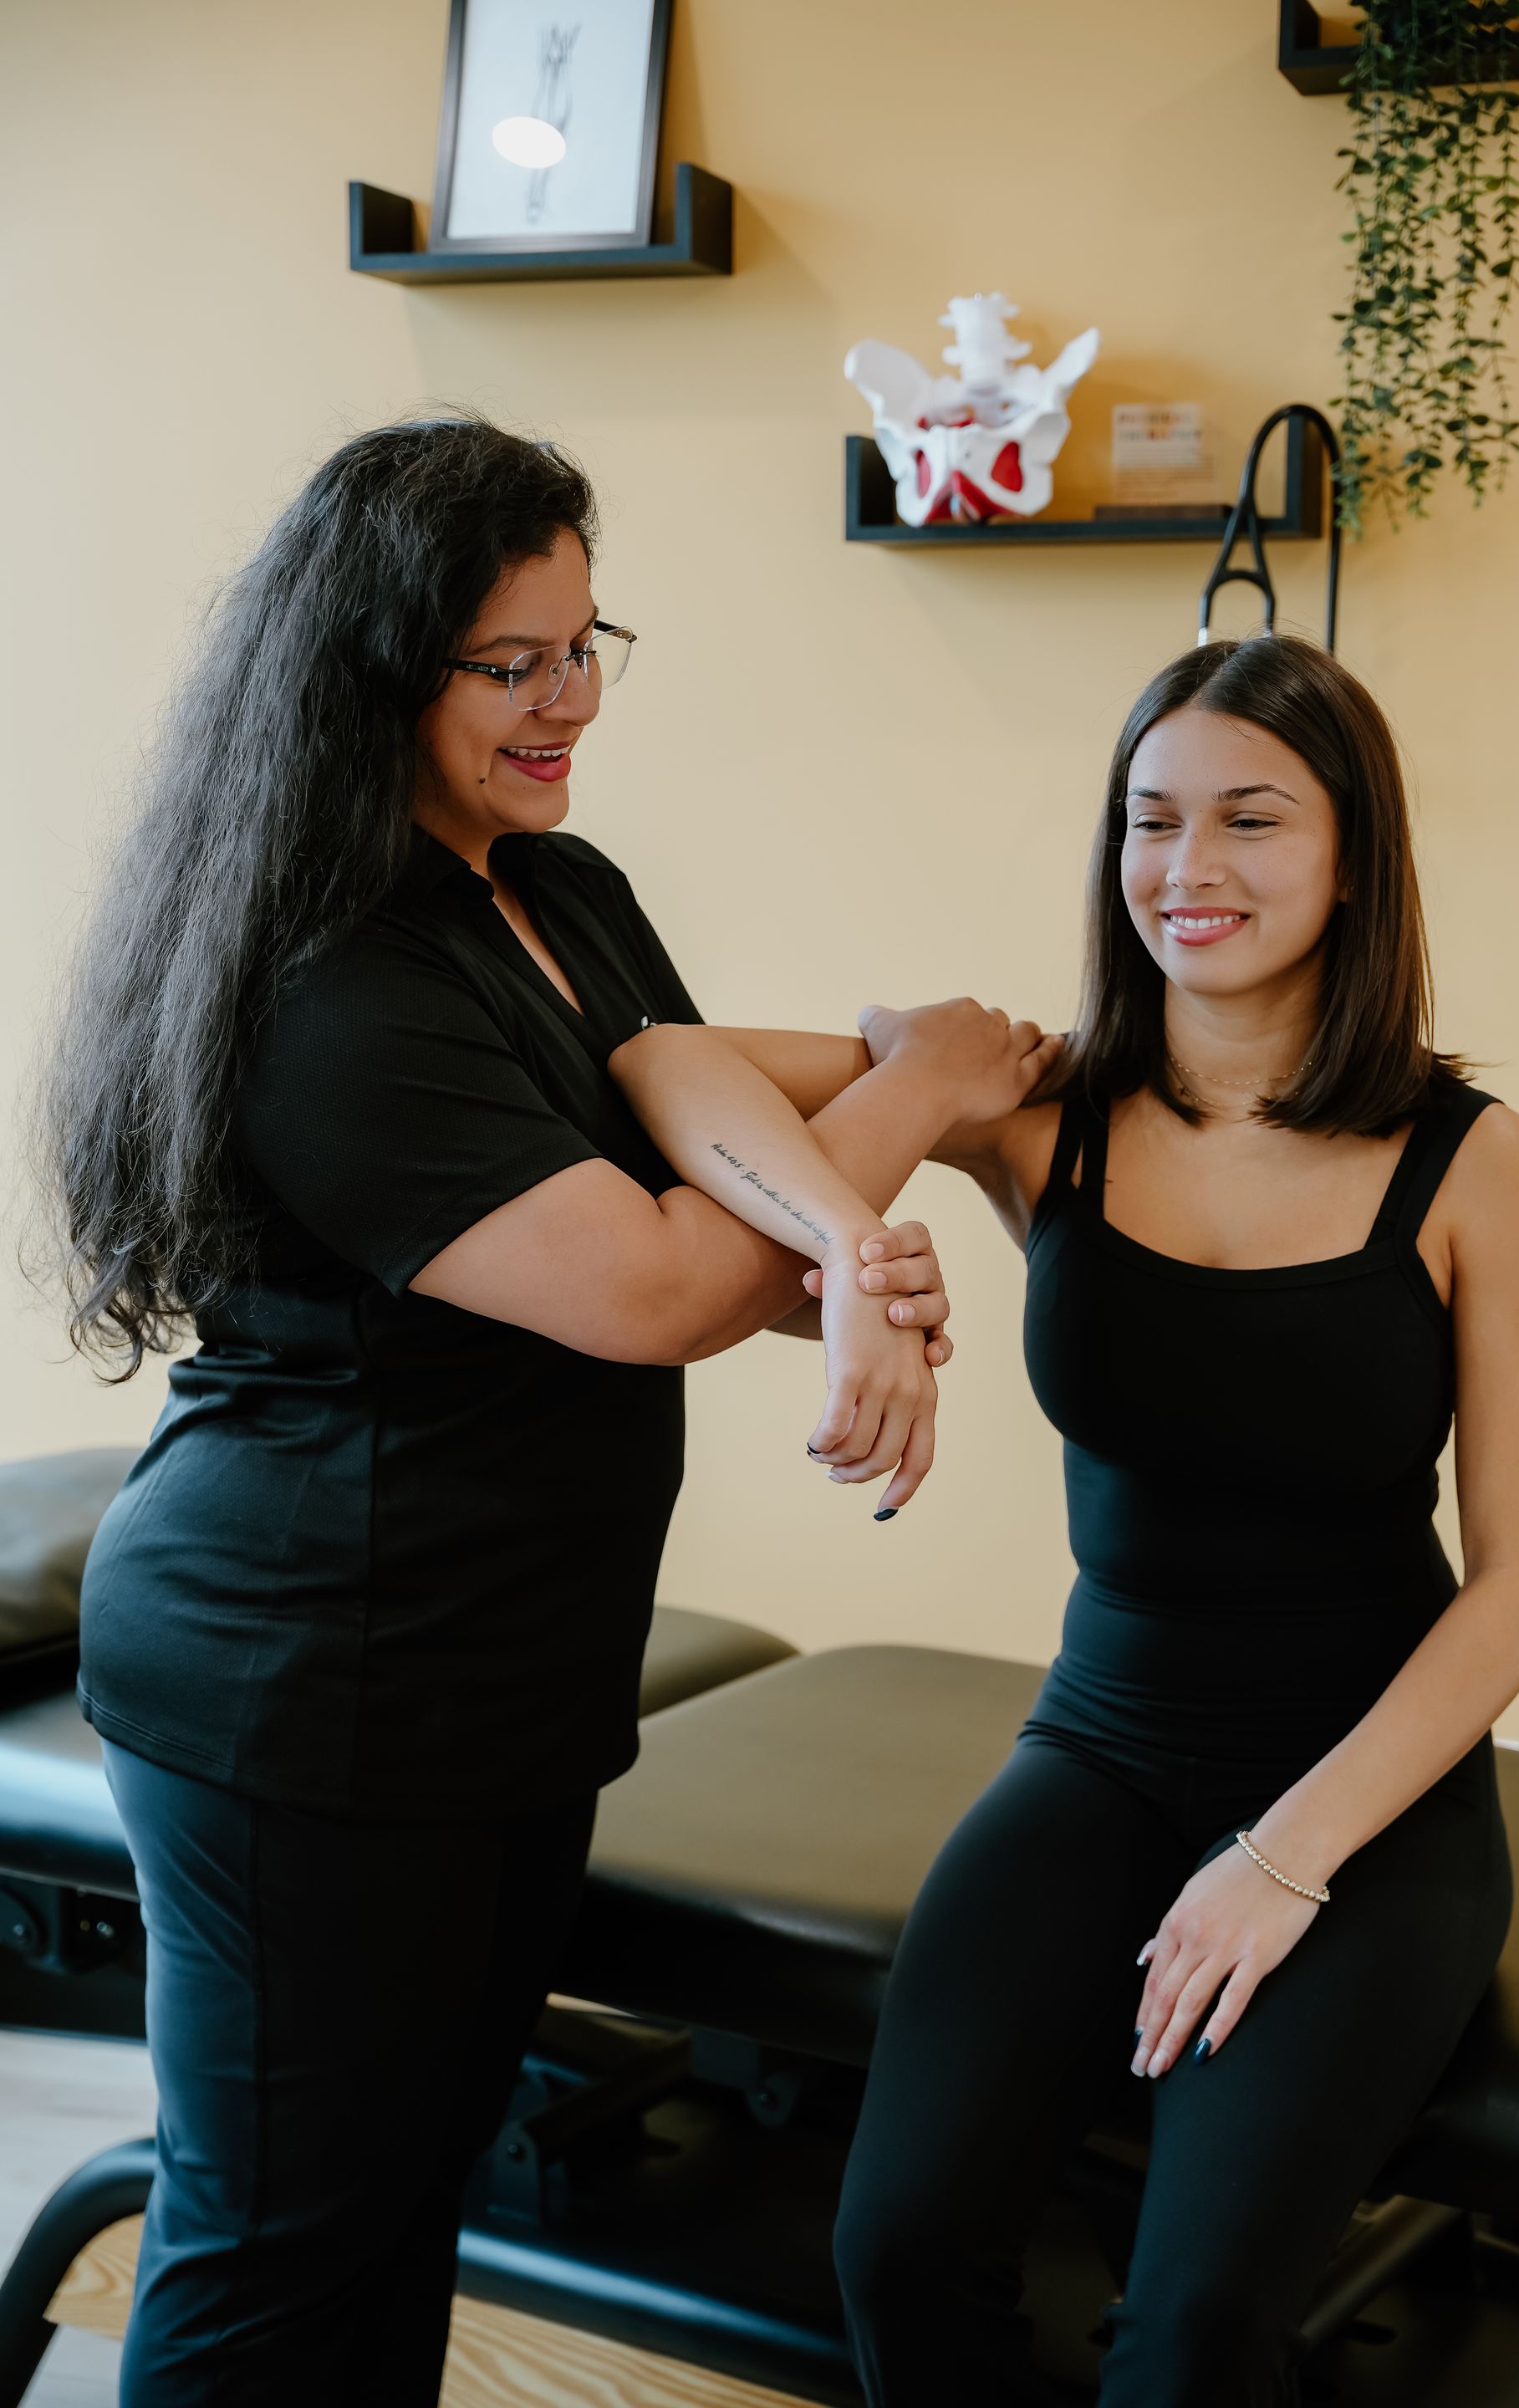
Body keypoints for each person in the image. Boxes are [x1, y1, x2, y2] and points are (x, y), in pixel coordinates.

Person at [35, 414, 1058, 2405]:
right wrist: (911, 1116)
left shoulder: (547, 887)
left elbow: (695, 1089)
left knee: (406, 2199)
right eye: (510, 664)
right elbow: (671, 1285)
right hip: (308, 1679)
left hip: (489, 1666)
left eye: (587, 644)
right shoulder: (335, 988)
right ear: (366, 677)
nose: (566, 699)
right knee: (278, 2244)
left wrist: (865, 1194)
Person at [618, 634, 1519, 2405]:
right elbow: (664, 1062)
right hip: (1104, 1754)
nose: (1187, 870)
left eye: (1250, 822)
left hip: (1369, 1804)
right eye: (1150, 821)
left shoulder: (1475, 1161)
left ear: (1354, 853)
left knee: (1194, 2326)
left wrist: (1285, 1859)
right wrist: (853, 1235)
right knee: (896, 2250)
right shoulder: (1040, 1110)